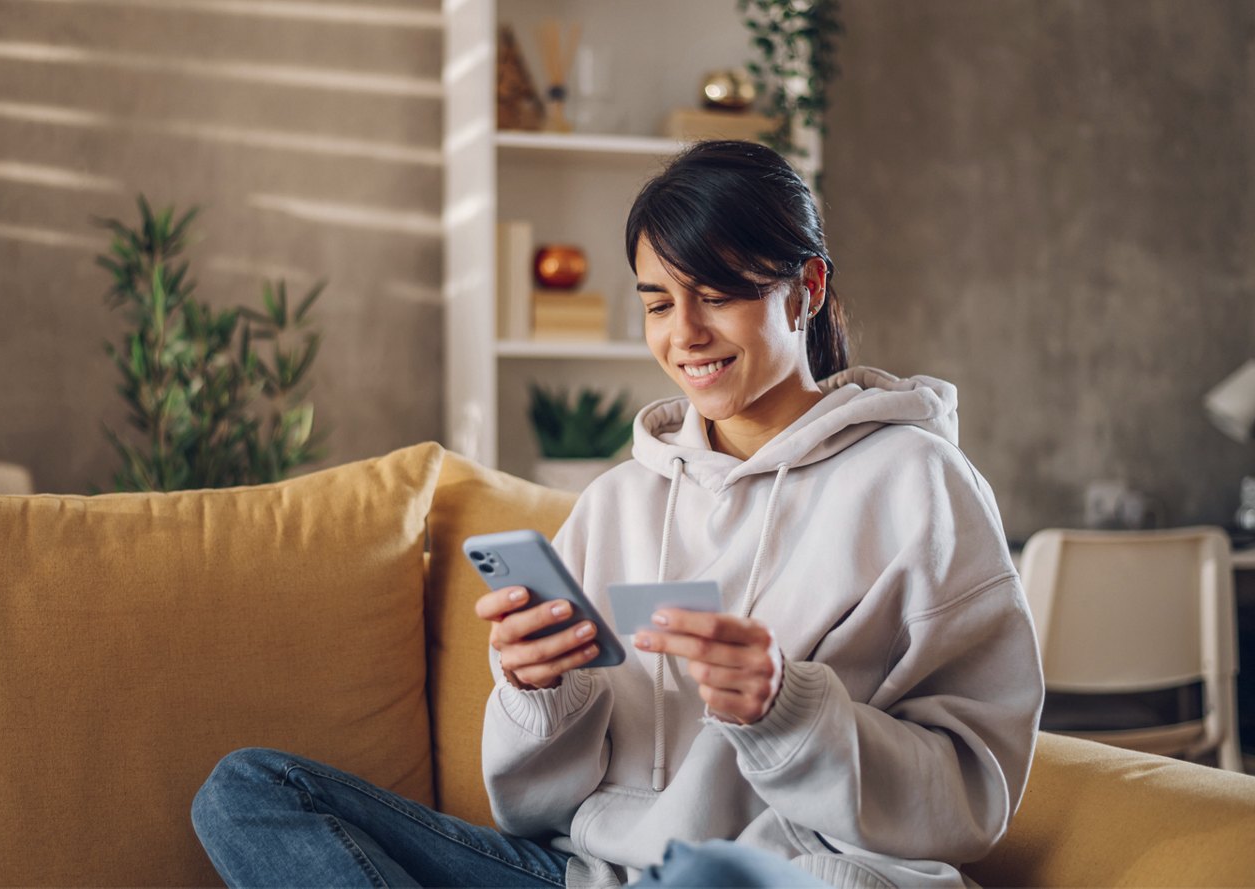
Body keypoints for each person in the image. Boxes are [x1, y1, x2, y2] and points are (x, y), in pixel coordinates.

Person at [192, 140, 1043, 888]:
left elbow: (971, 800)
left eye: (718, 293)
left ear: (806, 289)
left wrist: (789, 707)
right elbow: (540, 811)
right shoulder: (619, 502)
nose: (687, 334)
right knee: (249, 791)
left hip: (783, 877)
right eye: (659, 302)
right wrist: (539, 693)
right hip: (595, 874)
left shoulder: (920, 483)